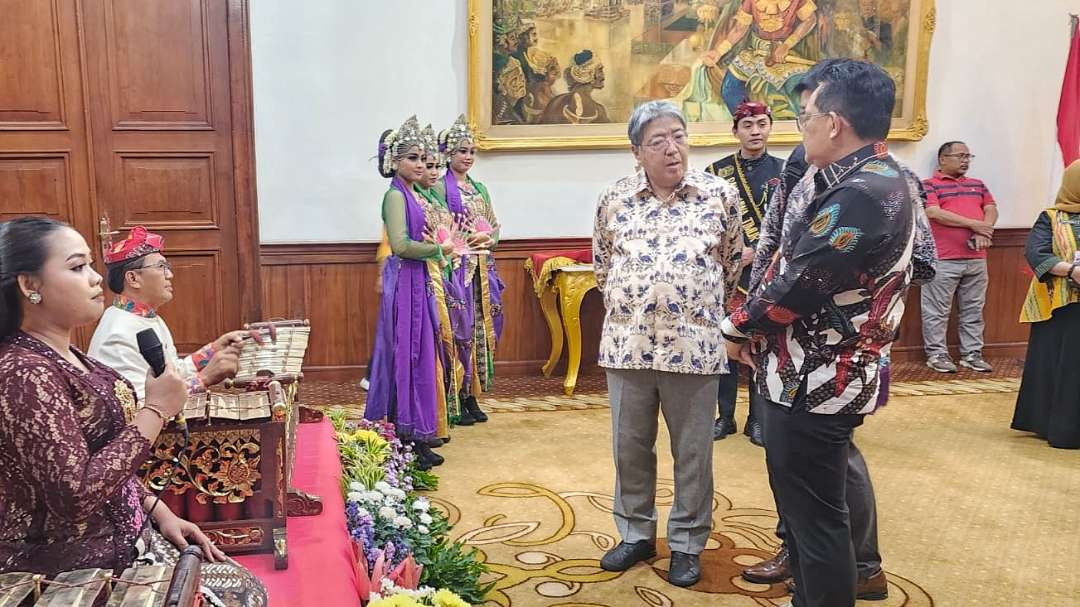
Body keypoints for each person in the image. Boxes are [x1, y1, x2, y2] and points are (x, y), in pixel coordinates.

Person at [722, 59, 915, 607]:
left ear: (834, 122)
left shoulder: (863, 191)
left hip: (819, 380)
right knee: (813, 519)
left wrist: (734, 326)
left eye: (805, 115)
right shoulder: (865, 177)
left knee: (819, 524)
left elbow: (800, 280)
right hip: (810, 375)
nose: (799, 126)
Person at [0, 216, 266, 606]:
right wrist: (158, 409)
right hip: (75, 571)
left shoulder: (68, 354)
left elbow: (99, 446)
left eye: (91, 265)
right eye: (77, 267)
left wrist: (158, 511)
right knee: (238, 595)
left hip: (129, 534)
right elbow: (75, 494)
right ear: (30, 286)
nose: (95, 279)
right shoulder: (24, 373)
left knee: (244, 585)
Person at [593, 100, 743, 587]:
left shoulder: (719, 195)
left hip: (695, 348)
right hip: (628, 346)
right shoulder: (614, 198)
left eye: (678, 135)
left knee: (693, 452)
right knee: (629, 447)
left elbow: (733, 263)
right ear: (637, 151)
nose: (671, 148)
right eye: (657, 140)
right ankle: (635, 533)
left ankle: (687, 542)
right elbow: (603, 266)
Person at [365, 116, 453, 470]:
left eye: (422, 158)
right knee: (407, 353)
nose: (420, 164)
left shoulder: (415, 194)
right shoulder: (394, 196)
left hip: (419, 279)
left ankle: (418, 433)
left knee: (423, 354)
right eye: (412, 158)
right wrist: (437, 250)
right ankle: (403, 434)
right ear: (394, 162)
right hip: (405, 281)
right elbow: (400, 245)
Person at [88, 226, 257, 404]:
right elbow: (142, 408)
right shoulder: (117, 335)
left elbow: (172, 372)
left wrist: (214, 349)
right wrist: (205, 378)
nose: (170, 274)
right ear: (133, 279)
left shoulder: (145, 317)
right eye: (161, 267)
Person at [705, 100, 784, 445]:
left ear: (770, 127)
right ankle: (725, 417)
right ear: (735, 131)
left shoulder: (787, 171)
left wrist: (760, 252)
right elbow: (707, 221)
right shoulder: (715, 171)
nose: (755, 131)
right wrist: (734, 255)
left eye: (761, 124)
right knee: (725, 343)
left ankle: (758, 419)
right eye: (748, 125)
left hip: (768, 272)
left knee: (759, 345)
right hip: (728, 273)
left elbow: (791, 223)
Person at [437, 114, 503, 424]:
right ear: (448, 153)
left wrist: (488, 236)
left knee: (480, 332)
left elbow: (494, 227)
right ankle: (457, 397)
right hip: (457, 271)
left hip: (482, 271)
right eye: (462, 151)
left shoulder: (481, 189)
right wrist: (463, 239)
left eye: (472, 151)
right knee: (459, 331)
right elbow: (437, 229)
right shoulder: (439, 188)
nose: (468, 157)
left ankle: (473, 395)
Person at [1012, 159, 1080, 449]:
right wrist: (1070, 270)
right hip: (1061, 306)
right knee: (1067, 366)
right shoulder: (1052, 217)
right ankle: (1061, 427)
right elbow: (1036, 252)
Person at [920, 141, 997, 373]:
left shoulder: (978, 184)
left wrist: (984, 229)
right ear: (942, 159)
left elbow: (991, 208)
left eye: (968, 156)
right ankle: (937, 355)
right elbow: (934, 213)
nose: (965, 160)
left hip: (976, 258)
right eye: (960, 156)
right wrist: (976, 225)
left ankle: (971, 354)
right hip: (943, 258)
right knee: (936, 311)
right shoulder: (928, 184)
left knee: (974, 309)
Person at [539, 50, 609, 124]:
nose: (603, 76)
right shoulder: (599, 111)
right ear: (589, 74)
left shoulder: (555, 101)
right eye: (600, 70)